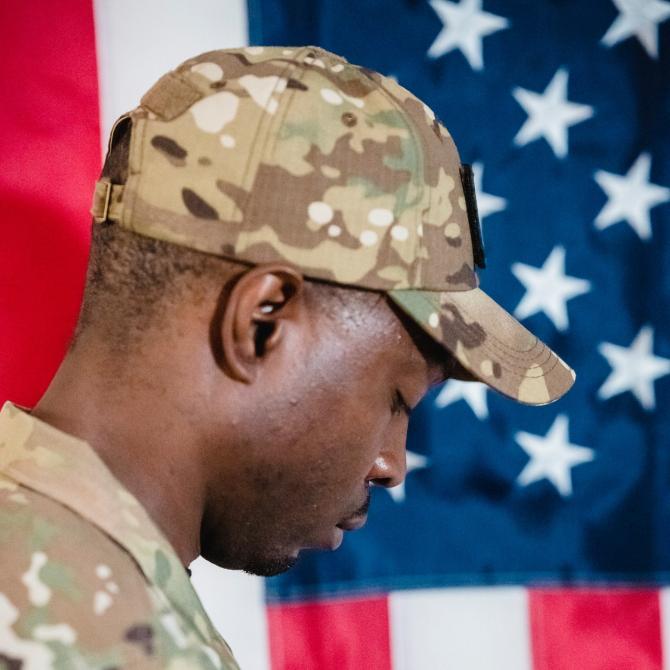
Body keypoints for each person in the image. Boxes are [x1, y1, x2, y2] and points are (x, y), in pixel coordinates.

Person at [0, 46, 575, 668]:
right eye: (398, 399)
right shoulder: (87, 637)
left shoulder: (74, 585)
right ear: (263, 323)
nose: (392, 464)